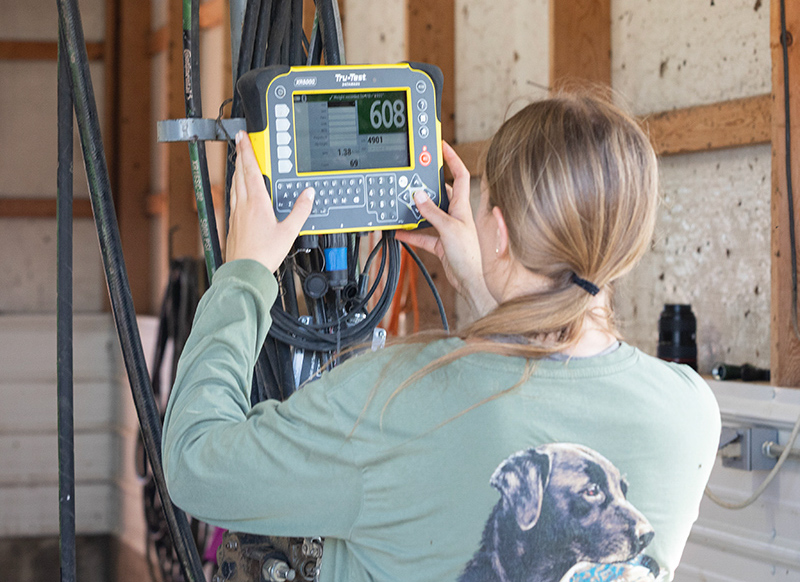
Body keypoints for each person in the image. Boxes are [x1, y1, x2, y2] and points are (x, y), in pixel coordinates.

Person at [162, 93, 720, 582]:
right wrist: (484, 290)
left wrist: (246, 274)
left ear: (497, 233)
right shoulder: (690, 410)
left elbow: (196, 466)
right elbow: (533, 391)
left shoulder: (401, 395)